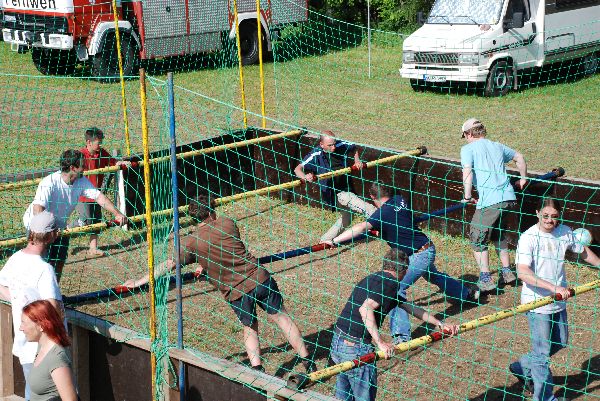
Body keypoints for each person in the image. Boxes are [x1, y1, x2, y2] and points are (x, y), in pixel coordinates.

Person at [123, 194, 316, 374]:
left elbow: (169, 264)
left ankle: (258, 371)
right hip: (259, 278)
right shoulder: (228, 223)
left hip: (236, 291)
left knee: (250, 327)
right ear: (210, 212)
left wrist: (140, 280)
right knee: (282, 318)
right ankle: (308, 361)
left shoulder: (191, 242)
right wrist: (204, 263)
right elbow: (226, 248)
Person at [326, 181, 478, 343]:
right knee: (434, 275)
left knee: (396, 291)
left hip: (419, 255)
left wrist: (334, 241)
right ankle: (466, 294)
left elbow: (360, 227)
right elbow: (398, 219)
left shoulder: (381, 214)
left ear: (372, 197)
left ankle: (401, 337)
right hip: (424, 247)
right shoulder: (400, 199)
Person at [331, 248, 459, 401]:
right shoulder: (391, 283)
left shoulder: (373, 278)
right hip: (355, 347)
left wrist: (439, 323)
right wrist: (380, 343)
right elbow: (365, 308)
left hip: (338, 342)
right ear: (404, 270)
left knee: (342, 398)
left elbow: (410, 307)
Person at [508, 198, 600, 401]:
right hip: (537, 302)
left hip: (558, 300)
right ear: (537, 212)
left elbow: (583, 251)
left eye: (554, 217)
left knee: (560, 342)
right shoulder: (528, 238)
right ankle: (544, 397)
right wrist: (553, 288)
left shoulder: (565, 232)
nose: (550, 220)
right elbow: (523, 272)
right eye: (546, 215)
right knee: (541, 356)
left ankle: (521, 366)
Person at [22, 149, 127, 279]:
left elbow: (100, 197)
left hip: (59, 227)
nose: (85, 168)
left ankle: (55, 295)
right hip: (38, 227)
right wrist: (47, 232)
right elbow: (38, 209)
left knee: (59, 261)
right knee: (41, 264)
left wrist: (117, 214)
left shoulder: (81, 181)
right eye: (82, 165)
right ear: (73, 168)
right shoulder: (49, 182)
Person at [0, 212, 63, 400]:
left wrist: (19, 299)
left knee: (32, 394)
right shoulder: (44, 269)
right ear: (51, 235)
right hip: (44, 347)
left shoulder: (16, 259)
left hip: (24, 342)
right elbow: (52, 308)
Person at [460, 118, 528, 292]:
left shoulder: (467, 149)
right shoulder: (498, 146)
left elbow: (467, 172)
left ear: (469, 134)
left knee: (477, 237)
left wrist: (467, 196)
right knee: (498, 234)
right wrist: (523, 178)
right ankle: (507, 272)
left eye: (465, 136)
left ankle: (485, 278)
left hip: (490, 201)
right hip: (508, 198)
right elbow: (519, 157)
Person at [294, 131, 376, 243]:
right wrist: (305, 177)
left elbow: (354, 147)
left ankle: (325, 240)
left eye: (334, 143)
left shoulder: (340, 145)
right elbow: (297, 169)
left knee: (347, 218)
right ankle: (389, 228)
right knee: (370, 209)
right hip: (335, 193)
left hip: (346, 187)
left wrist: (357, 160)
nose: (333, 147)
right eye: (330, 145)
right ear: (321, 144)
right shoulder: (316, 155)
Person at [76, 127, 130, 256]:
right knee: (85, 220)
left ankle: (93, 248)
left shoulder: (102, 153)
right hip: (82, 195)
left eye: (101, 142)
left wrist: (122, 162)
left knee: (96, 221)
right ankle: (66, 228)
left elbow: (113, 162)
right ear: (89, 142)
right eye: (98, 142)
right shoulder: (80, 155)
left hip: (96, 194)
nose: (100, 145)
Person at [20, 299, 78, 401]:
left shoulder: (56, 358)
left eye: (24, 323)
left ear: (41, 326)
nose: (21, 328)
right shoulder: (42, 346)